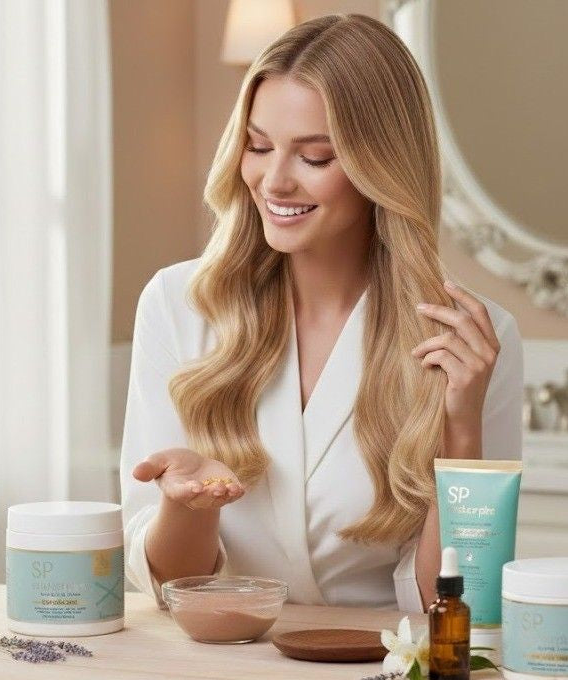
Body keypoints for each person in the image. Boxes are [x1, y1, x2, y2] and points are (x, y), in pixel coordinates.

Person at [119, 14, 522, 613]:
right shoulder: (178, 305)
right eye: (256, 146)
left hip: (377, 676)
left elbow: (453, 604)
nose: (273, 181)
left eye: (315, 157)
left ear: (379, 167)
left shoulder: (469, 339)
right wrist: (185, 503)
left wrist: (460, 429)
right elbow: (167, 585)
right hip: (220, 667)